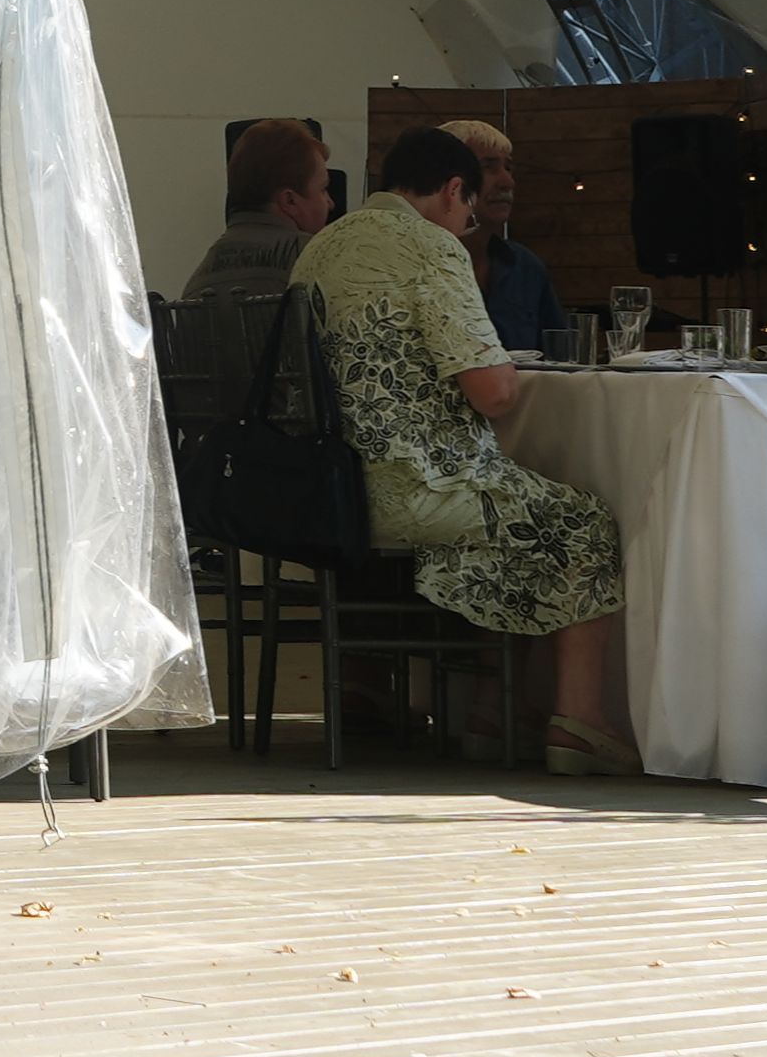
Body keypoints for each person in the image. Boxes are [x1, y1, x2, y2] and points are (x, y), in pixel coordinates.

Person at [289, 125, 633, 775]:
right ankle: (581, 721)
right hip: (413, 490)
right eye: (468, 211)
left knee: (516, 505)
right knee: (582, 521)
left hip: (332, 487)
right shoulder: (431, 247)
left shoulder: (322, 246)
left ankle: (495, 710)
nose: (466, 224)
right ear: (454, 190)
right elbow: (494, 393)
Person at [445, 117, 565, 353]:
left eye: (508, 168)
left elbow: (560, 357)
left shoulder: (526, 267)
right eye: (488, 167)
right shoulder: (416, 266)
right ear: (448, 180)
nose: (507, 182)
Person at [182, 118, 331, 302]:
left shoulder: (195, 285)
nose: (330, 203)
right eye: (323, 189)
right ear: (289, 201)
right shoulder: (322, 260)